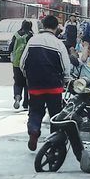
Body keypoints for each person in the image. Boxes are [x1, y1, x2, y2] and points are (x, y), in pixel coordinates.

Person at [23, 15, 82, 159]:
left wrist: (29, 76)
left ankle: (34, 130)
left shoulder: (32, 40)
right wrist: (67, 80)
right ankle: (54, 143)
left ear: (43, 25)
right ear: (56, 28)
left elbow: (23, 63)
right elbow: (65, 65)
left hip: (35, 85)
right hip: (54, 86)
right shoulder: (58, 44)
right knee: (55, 115)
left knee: (35, 111)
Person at [9, 20, 33, 110]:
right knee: (27, 83)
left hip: (16, 63)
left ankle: (17, 96)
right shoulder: (30, 35)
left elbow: (10, 48)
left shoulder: (16, 35)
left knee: (18, 82)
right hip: (27, 63)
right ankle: (26, 104)